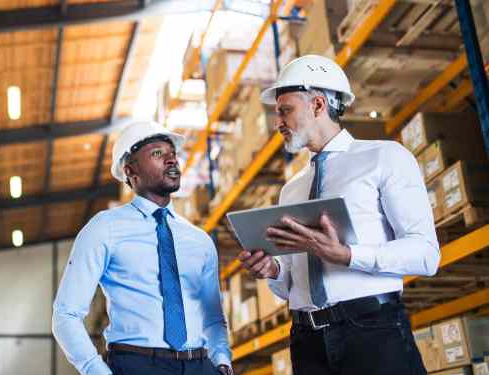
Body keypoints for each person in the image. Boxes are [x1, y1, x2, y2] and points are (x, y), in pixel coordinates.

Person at [237, 54, 440, 375]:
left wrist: (348, 255)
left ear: (318, 105)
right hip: (306, 339)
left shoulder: (384, 157)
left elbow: (426, 254)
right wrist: (273, 269)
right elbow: (291, 283)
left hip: (371, 330)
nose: (278, 123)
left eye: (285, 111)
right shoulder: (292, 189)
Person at [53, 121, 233, 375]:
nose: (171, 160)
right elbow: (66, 314)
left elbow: (213, 316)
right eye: (158, 153)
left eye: (173, 154)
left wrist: (222, 360)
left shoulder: (199, 240)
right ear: (131, 171)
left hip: (200, 365)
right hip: (138, 365)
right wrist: (96, 370)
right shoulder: (105, 228)